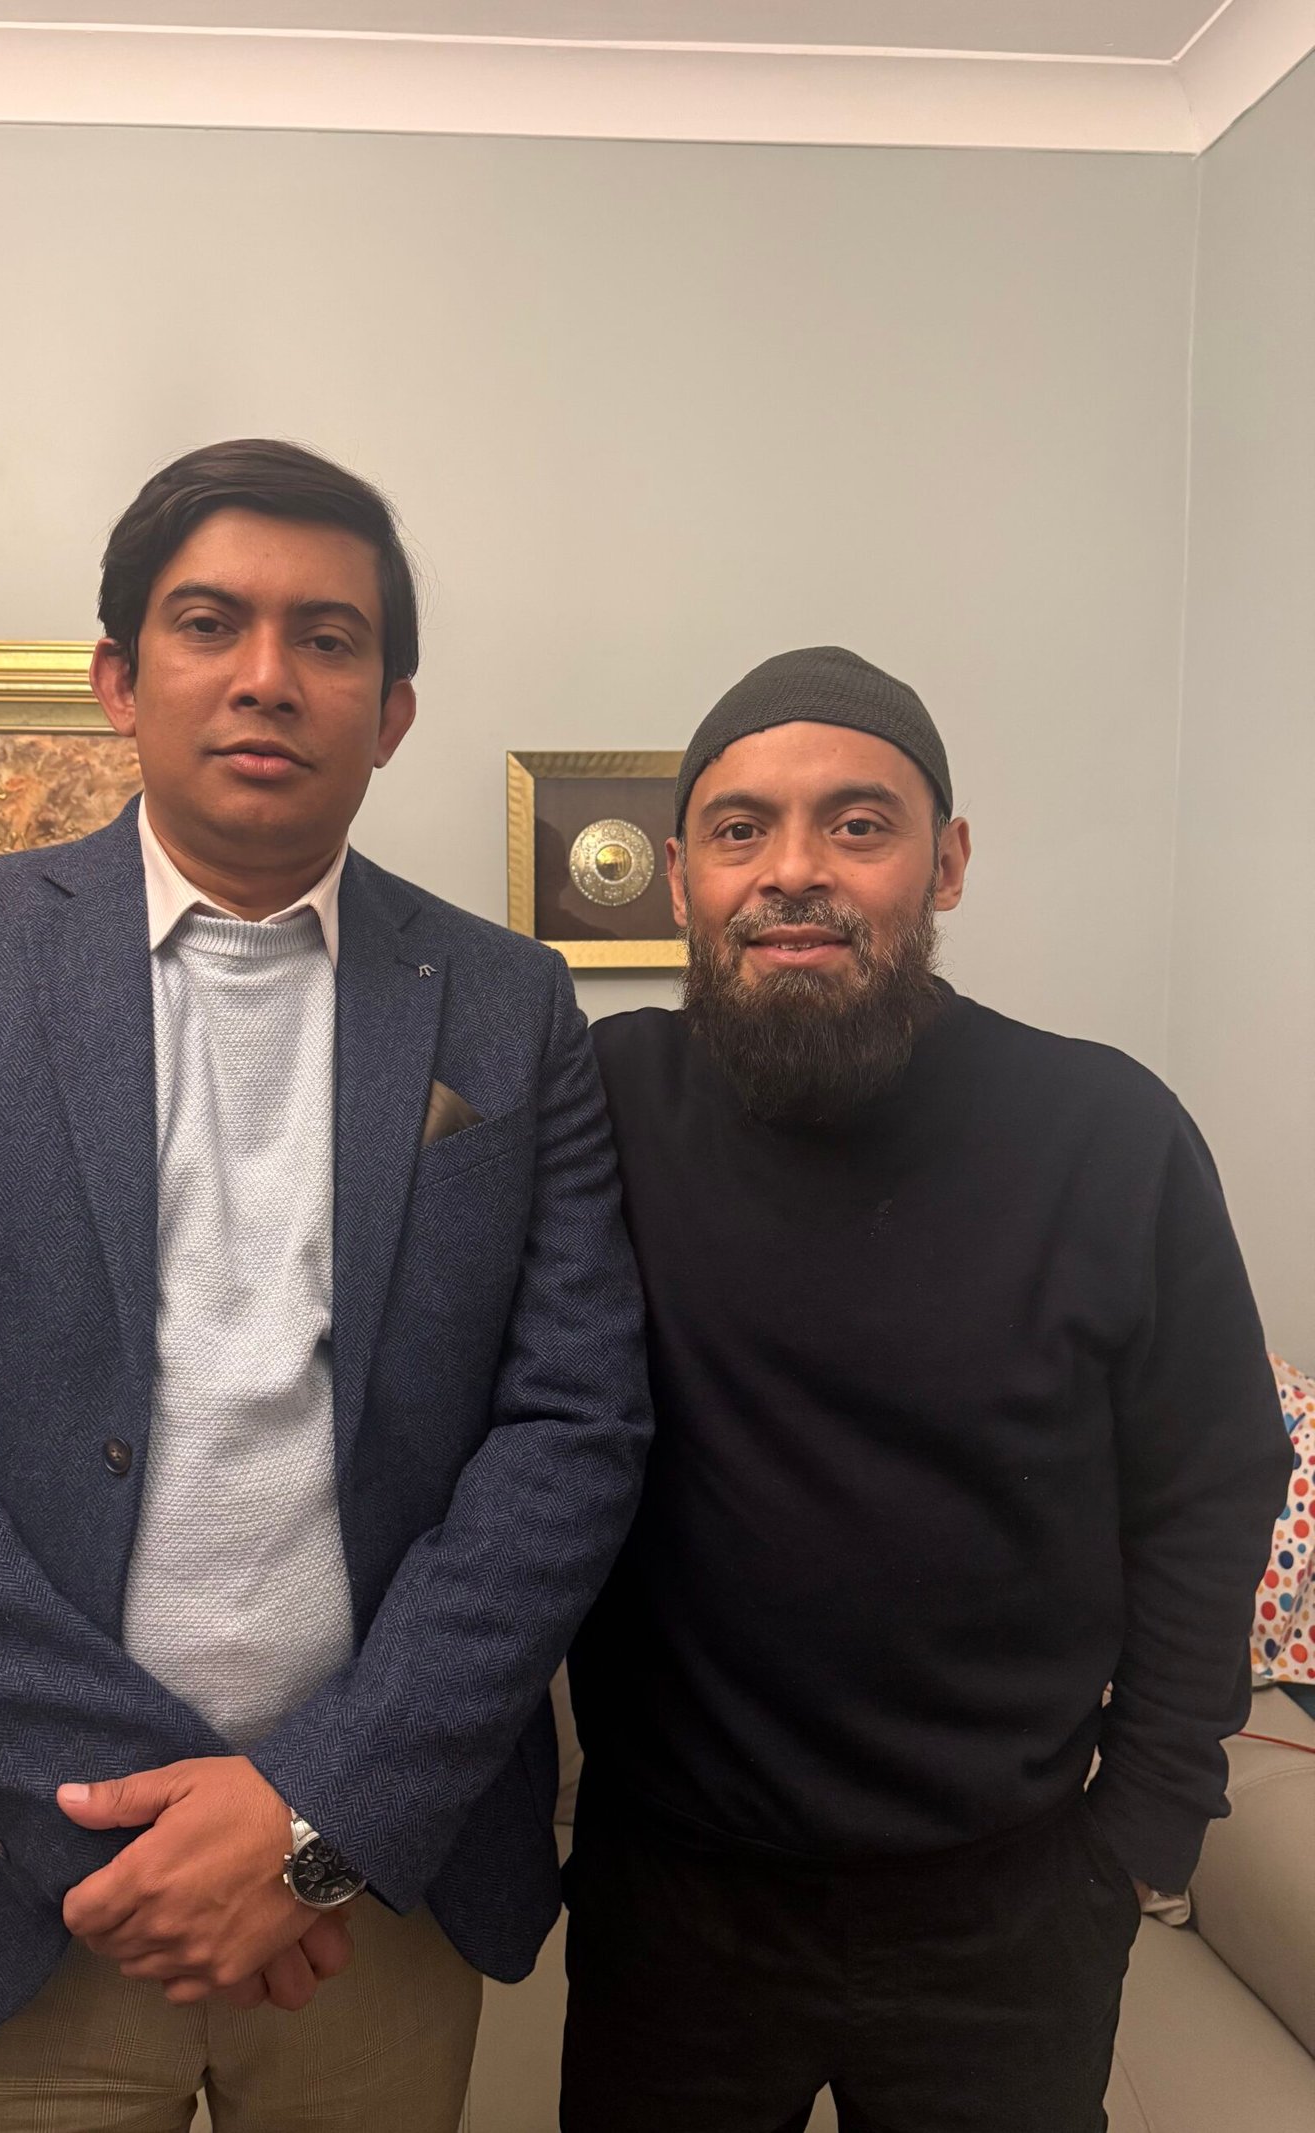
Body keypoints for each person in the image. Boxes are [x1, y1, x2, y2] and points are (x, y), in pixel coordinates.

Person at [0, 438, 651, 2133]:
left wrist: (312, 1816)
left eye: (328, 637)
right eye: (210, 622)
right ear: (119, 678)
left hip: (369, 1890)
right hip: (19, 1880)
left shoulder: (511, 1006)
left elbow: (573, 1434)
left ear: (392, 712)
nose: (266, 675)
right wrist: (148, 1829)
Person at [561, 646, 1292, 2133]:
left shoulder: (1109, 1132)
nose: (794, 871)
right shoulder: (602, 1103)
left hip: (1012, 1903)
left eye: (859, 824)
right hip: (675, 1901)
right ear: (683, 879)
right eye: (741, 829)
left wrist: (1144, 1829)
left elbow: (1213, 1483)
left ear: (946, 863)